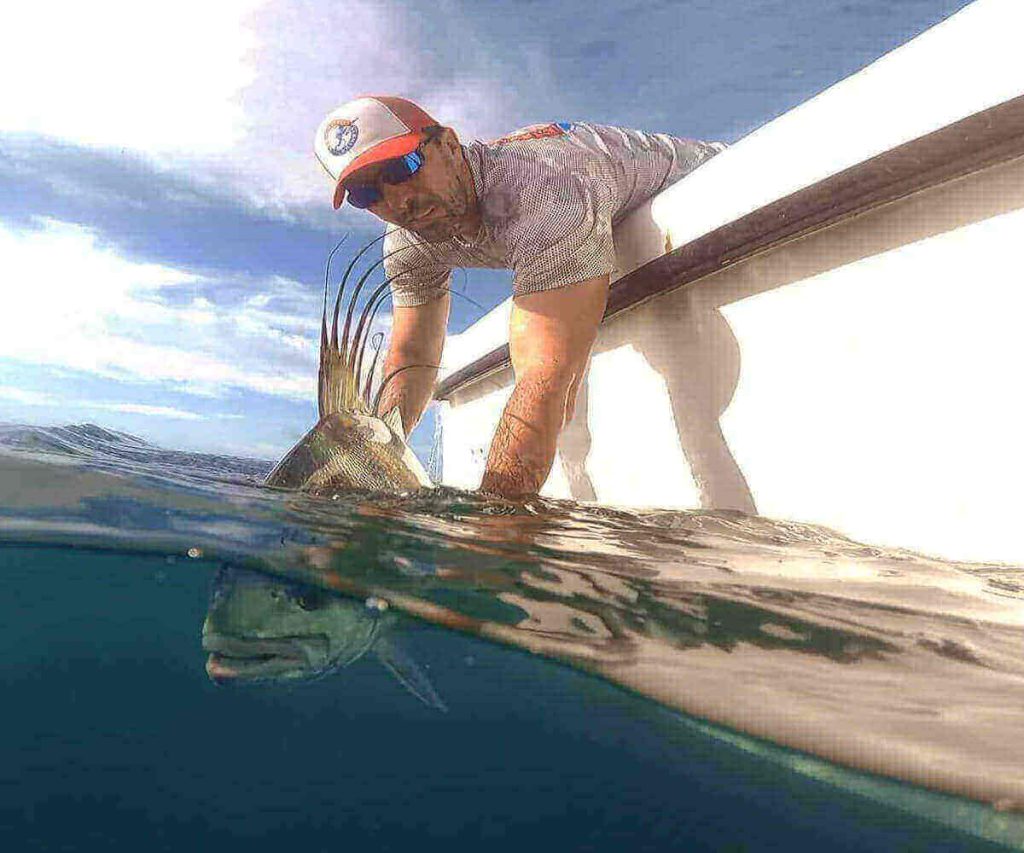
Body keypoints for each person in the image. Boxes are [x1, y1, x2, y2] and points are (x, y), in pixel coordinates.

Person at [313, 95, 725, 498]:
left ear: (450, 146)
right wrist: (369, 466)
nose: (398, 201)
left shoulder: (543, 191)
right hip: (594, 218)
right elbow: (411, 357)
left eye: (405, 167)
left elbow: (546, 377)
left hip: (720, 177)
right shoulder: (407, 242)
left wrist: (494, 528)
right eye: (366, 195)